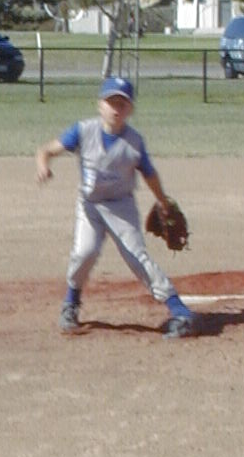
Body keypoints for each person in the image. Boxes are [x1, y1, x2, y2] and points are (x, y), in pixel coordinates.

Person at [35, 75, 199, 338]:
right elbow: (46, 150)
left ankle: (179, 311)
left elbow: (149, 174)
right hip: (90, 206)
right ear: (100, 104)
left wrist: (162, 200)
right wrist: (43, 166)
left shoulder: (134, 141)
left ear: (130, 109)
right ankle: (71, 303)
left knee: (137, 257)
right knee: (84, 253)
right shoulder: (83, 130)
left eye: (122, 104)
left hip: (121, 207)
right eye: (111, 102)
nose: (116, 108)